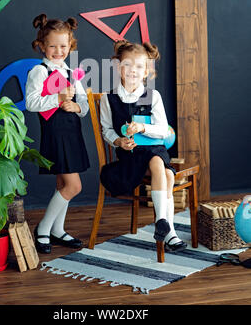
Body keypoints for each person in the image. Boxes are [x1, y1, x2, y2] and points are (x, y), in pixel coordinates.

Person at [99, 39, 187, 252]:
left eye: (139, 66)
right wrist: (119, 141)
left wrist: (142, 128)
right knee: (167, 175)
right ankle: (169, 231)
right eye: (127, 65)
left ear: (146, 72)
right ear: (118, 67)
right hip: (130, 156)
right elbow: (107, 131)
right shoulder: (108, 99)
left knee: (159, 163)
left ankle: (163, 225)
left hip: (154, 149)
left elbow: (164, 130)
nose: (132, 70)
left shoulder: (152, 96)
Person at [25, 14, 90, 253]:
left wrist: (78, 106)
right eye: (52, 46)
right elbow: (32, 103)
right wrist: (58, 98)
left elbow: (83, 101)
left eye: (63, 46)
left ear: (70, 45)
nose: (58, 50)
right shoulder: (39, 71)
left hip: (72, 133)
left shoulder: (72, 72)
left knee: (63, 183)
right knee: (74, 186)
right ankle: (42, 228)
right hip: (55, 133)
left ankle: (57, 230)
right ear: (42, 45)